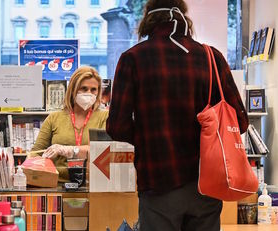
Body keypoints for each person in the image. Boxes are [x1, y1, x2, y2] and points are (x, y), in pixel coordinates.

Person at [106, 1, 249, 231]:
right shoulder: (212, 57)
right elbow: (240, 121)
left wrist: (150, 137)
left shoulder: (132, 58)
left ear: (148, 21)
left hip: (158, 181)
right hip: (207, 183)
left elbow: (116, 126)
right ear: (184, 18)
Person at [29, 66, 108, 183]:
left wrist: (69, 150)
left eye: (93, 90)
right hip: (57, 184)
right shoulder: (54, 118)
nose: (89, 93)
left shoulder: (104, 117)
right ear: (73, 90)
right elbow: (36, 153)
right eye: (84, 88)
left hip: (92, 185)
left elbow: (104, 152)